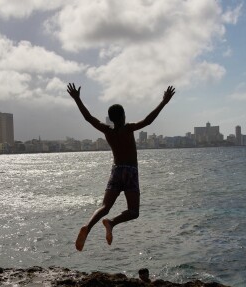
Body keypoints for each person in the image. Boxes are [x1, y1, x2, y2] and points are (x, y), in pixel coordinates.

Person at [67, 83, 175, 251]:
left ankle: (88, 227)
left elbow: (88, 118)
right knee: (133, 211)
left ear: (111, 119)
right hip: (130, 171)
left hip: (116, 171)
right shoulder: (128, 128)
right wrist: (164, 102)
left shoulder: (107, 131)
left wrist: (77, 99)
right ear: (123, 116)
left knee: (104, 207)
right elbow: (148, 121)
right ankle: (111, 222)